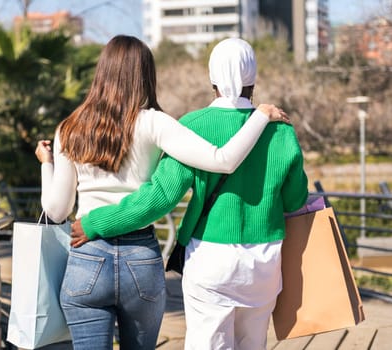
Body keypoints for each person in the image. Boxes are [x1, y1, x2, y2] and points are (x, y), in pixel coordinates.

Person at [36, 35, 289, 350]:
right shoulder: (155, 123)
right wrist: (261, 116)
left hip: (86, 257)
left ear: (101, 72)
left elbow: (56, 210)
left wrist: (47, 163)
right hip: (139, 261)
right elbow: (223, 160)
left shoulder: (68, 129)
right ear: (145, 74)